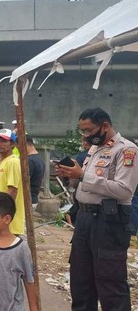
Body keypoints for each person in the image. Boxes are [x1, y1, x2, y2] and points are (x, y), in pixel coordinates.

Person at [56, 107, 138, 310]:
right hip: (85, 219)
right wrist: (71, 176)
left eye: (88, 130)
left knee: (109, 283)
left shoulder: (126, 150)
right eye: (82, 131)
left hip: (108, 222)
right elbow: (86, 185)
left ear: (105, 126)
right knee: (81, 282)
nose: (85, 135)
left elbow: (124, 190)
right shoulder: (95, 149)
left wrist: (83, 175)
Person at [26, 136, 45, 209]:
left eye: (18, 148)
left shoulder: (29, 160)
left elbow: (24, 181)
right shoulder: (39, 158)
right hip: (34, 198)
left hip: (28, 199)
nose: (18, 150)